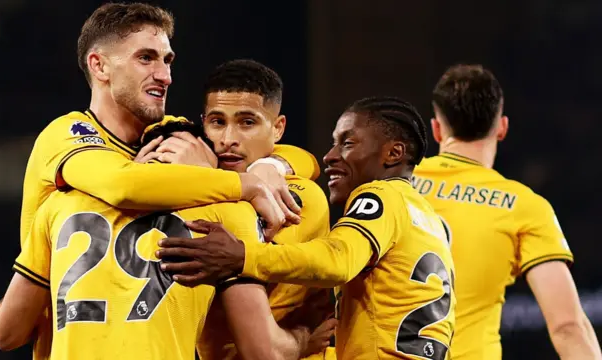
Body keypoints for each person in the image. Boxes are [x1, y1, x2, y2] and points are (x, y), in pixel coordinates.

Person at [4, 3, 317, 359]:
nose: (164, 75)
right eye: (146, 58)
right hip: (65, 330)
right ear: (99, 65)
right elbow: (124, 186)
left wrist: (272, 166)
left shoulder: (167, 138)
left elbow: (286, 155)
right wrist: (245, 185)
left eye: (167, 61)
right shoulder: (68, 134)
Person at [157, 96, 457, 360]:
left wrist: (242, 257)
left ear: (393, 154)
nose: (331, 156)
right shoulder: (427, 217)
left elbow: (337, 259)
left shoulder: (380, 195)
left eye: (347, 144)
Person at [0, 122, 311, 360]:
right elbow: (263, 351)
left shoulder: (62, 205)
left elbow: (6, 333)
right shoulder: (228, 216)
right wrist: (304, 339)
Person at [409, 64, 601, 359]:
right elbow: (567, 327)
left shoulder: (393, 186)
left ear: (436, 129)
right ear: (502, 128)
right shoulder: (524, 206)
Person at [179, 59, 335, 359]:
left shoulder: (298, 197)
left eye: (247, 122)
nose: (228, 140)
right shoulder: (204, 189)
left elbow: (234, 256)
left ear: (278, 129)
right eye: (217, 122)